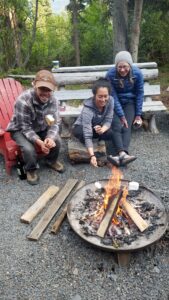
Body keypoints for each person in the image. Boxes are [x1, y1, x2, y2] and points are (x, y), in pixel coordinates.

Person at [7, 70, 64, 185]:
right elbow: (25, 128)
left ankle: (51, 161)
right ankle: (31, 169)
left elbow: (54, 123)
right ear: (34, 85)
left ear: (53, 89)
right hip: (19, 129)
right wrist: (40, 142)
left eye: (48, 90)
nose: (45, 93)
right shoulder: (23, 101)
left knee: (57, 141)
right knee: (29, 149)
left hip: (40, 126)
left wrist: (50, 138)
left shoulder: (53, 100)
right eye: (42, 89)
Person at [106, 51, 144, 167]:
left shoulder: (137, 73)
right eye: (120, 67)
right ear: (116, 66)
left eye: (125, 66)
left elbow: (140, 93)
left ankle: (123, 154)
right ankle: (121, 153)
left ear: (130, 66)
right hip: (114, 102)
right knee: (117, 125)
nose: (122, 70)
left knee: (127, 126)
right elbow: (113, 96)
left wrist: (138, 114)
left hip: (130, 102)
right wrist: (121, 116)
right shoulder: (110, 75)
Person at [72, 78, 114, 167]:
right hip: (81, 126)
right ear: (94, 95)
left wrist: (102, 129)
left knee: (110, 133)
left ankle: (97, 142)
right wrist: (92, 156)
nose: (103, 99)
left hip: (96, 125)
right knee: (83, 134)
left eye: (105, 96)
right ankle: (95, 151)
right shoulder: (88, 109)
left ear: (109, 95)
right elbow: (87, 133)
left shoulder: (111, 100)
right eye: (100, 96)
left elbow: (108, 120)